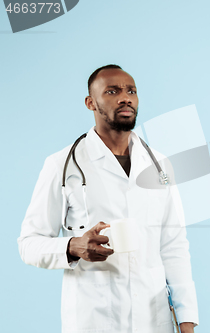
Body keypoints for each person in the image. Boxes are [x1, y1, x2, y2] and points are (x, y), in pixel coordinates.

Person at [18, 65, 198, 333]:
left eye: (131, 91)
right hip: (94, 317)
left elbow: (173, 247)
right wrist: (72, 246)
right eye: (112, 91)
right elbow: (28, 244)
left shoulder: (159, 165)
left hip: (153, 319)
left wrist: (186, 318)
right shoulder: (62, 165)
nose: (125, 97)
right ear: (91, 103)